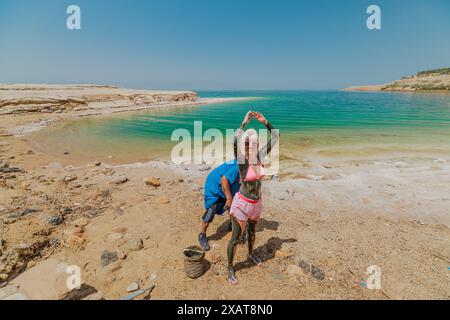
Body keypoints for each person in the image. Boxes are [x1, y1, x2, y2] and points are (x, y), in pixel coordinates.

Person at [227, 110, 279, 285]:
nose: (251, 145)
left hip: (256, 203)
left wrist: (265, 121)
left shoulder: (261, 157)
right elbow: (234, 142)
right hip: (242, 203)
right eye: (248, 143)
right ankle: (230, 267)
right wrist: (244, 123)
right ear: (245, 145)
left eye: (254, 142)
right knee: (235, 237)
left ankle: (250, 253)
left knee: (251, 233)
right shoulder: (242, 160)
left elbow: (276, 136)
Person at [199, 159, 240, 251]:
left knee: (234, 203)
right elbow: (224, 179)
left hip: (230, 184)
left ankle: (231, 224)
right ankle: (202, 234)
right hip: (214, 184)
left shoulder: (251, 164)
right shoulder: (240, 165)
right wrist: (228, 198)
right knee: (211, 210)